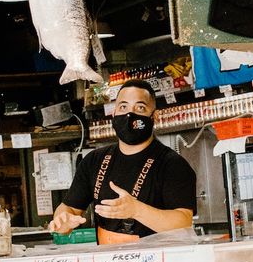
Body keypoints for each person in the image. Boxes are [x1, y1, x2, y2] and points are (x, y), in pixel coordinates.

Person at [48, 80, 198, 244]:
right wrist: (63, 219)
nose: (129, 115)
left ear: (154, 116)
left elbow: (183, 221)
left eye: (140, 108)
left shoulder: (172, 164)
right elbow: (70, 207)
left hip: (158, 261)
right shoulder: (94, 161)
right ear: (113, 115)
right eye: (123, 107)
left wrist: (136, 210)